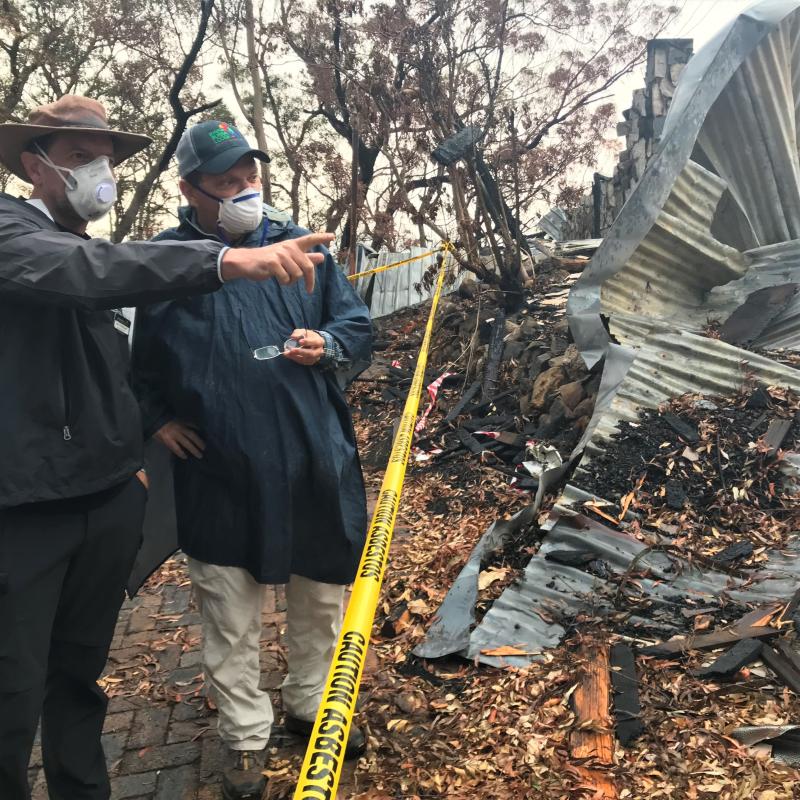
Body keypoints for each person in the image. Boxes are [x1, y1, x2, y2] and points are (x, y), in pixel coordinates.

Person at [0, 96, 332, 800]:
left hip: (103, 502)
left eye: (108, 158)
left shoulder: (89, 248)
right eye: (80, 158)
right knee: (12, 692)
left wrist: (133, 466)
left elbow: (116, 362)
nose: (101, 171)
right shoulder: (14, 235)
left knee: (77, 680)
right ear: (35, 164)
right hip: (24, 515)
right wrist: (226, 264)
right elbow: (89, 278)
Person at [131, 120, 372, 800]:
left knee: (320, 597)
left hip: (310, 458)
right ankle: (243, 737)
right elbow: (133, 364)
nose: (244, 193)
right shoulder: (166, 265)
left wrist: (326, 342)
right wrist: (157, 420)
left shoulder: (301, 249)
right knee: (227, 613)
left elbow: (357, 325)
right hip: (219, 470)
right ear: (190, 190)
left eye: (250, 180)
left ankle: (308, 702)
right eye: (226, 183)